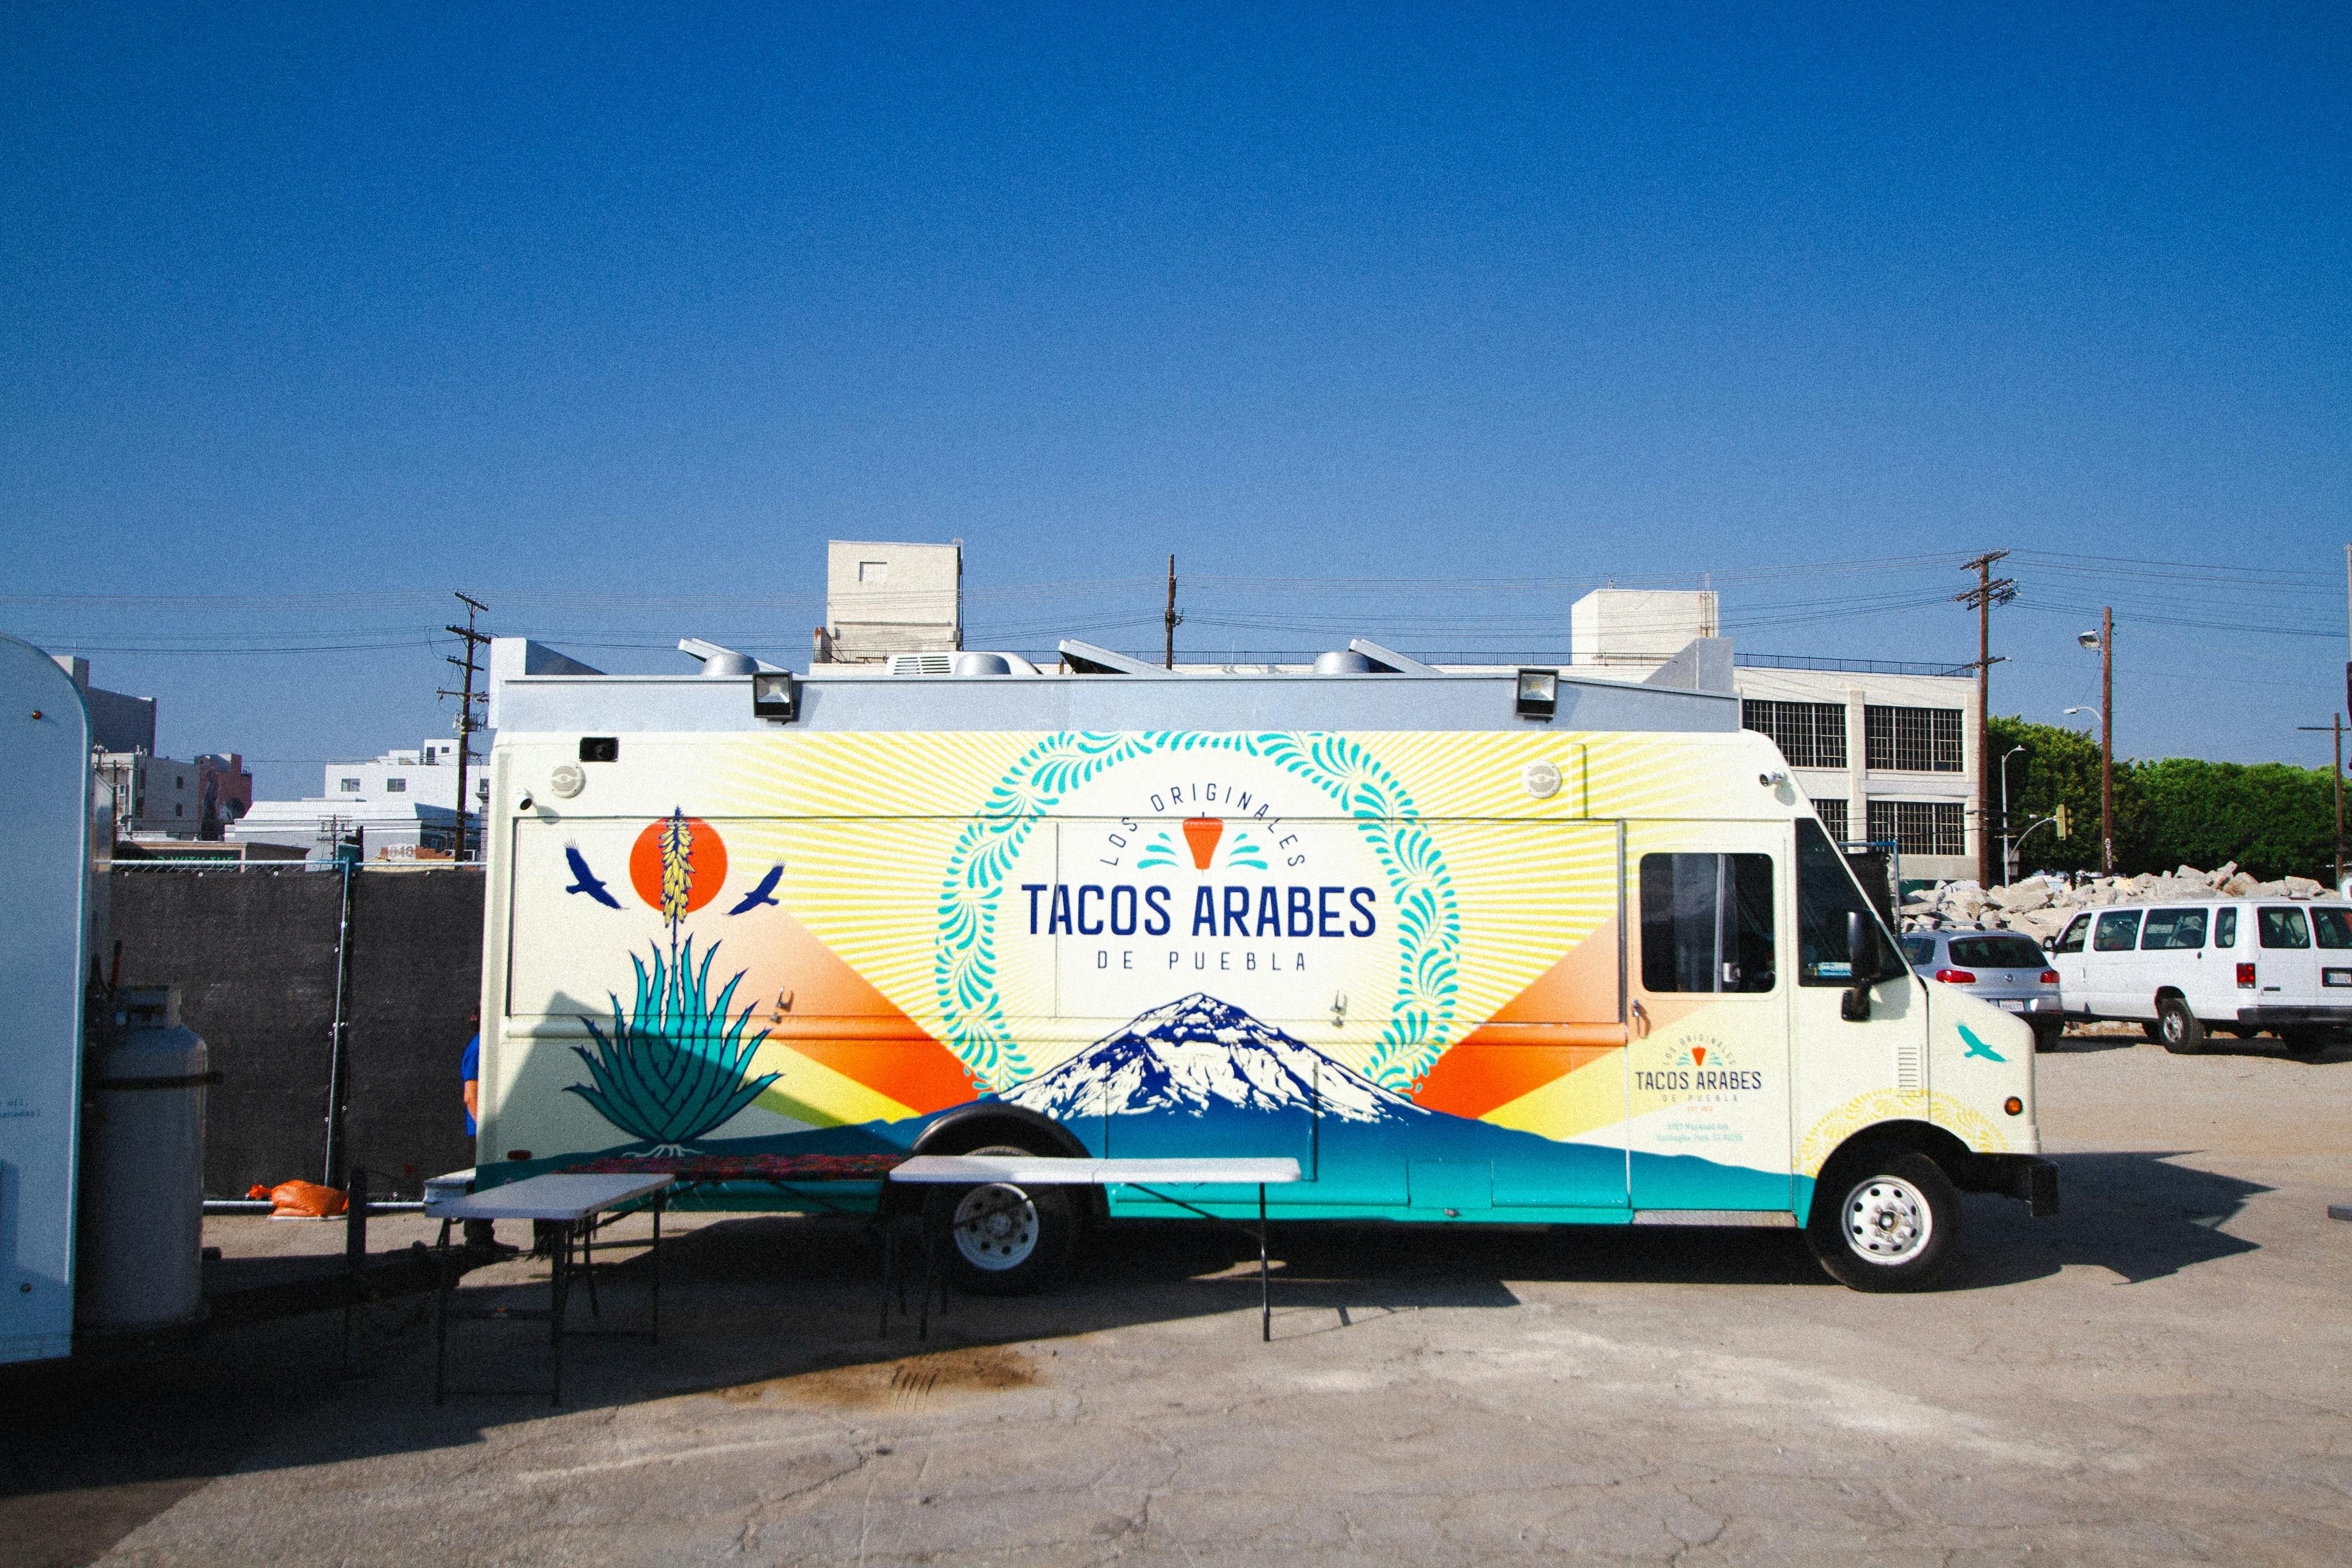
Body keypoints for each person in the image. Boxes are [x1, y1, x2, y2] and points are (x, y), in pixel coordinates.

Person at [461, 1021, 494, 1247]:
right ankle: (477, 1241)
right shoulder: (479, 1046)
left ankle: (483, 1239)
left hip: (486, 1125)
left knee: (485, 1181)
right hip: (482, 1126)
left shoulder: (485, 1042)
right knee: (482, 1182)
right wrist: (483, 1127)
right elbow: (471, 1094)